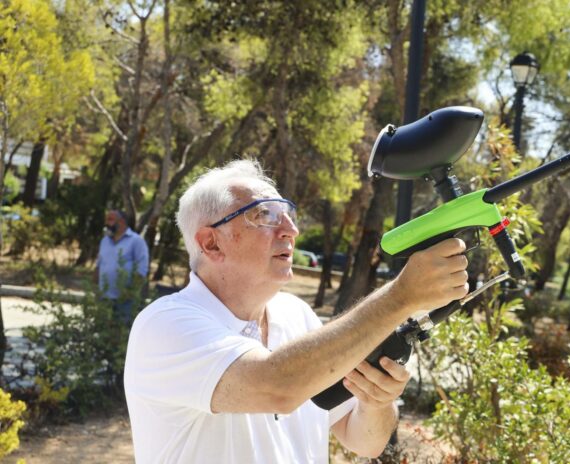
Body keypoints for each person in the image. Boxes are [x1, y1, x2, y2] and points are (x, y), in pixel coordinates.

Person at [124, 159, 470, 463]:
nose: (291, 230)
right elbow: (278, 386)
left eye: (288, 215)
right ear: (211, 243)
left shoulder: (296, 314)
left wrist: (376, 402)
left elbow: (366, 442)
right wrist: (399, 297)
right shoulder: (164, 325)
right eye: (265, 215)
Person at [96, 209, 150, 325]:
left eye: (110, 220)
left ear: (121, 222)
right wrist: (96, 289)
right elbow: (99, 265)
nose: (106, 223)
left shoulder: (136, 241)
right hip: (104, 298)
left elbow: (142, 269)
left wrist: (130, 292)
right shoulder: (104, 241)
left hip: (125, 300)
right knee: (101, 330)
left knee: (119, 333)